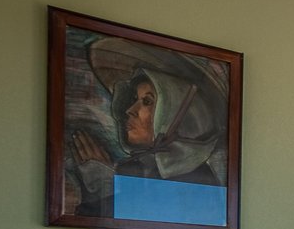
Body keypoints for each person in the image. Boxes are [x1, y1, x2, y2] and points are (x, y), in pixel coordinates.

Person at [66, 36, 229, 217]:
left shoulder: (197, 183)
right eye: (135, 100)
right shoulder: (134, 170)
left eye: (147, 101)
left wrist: (102, 185)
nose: (130, 110)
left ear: (177, 114)